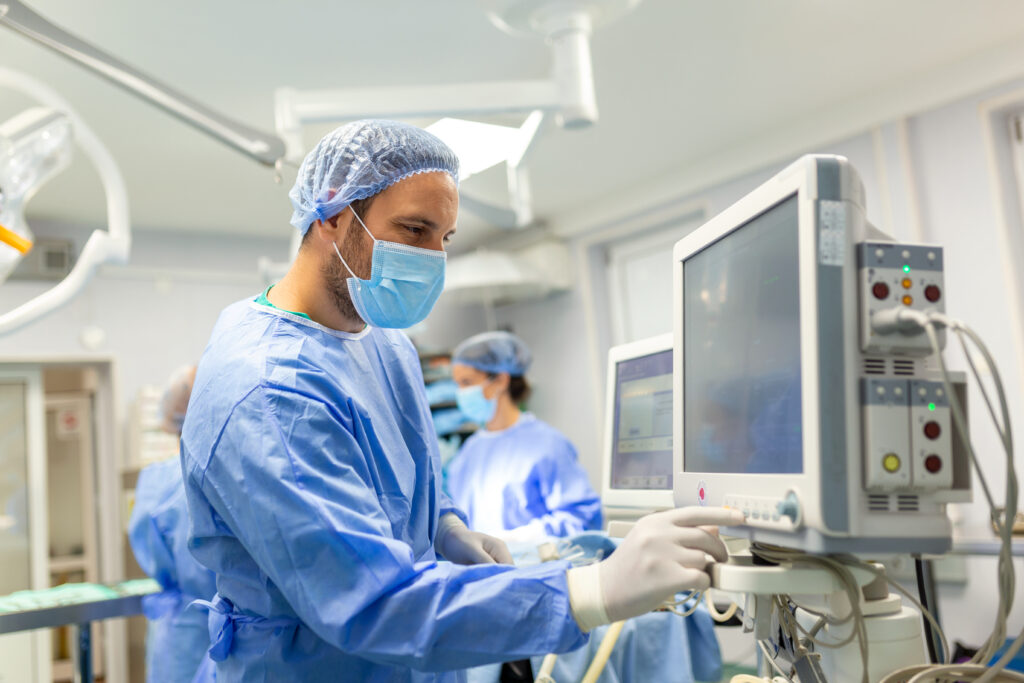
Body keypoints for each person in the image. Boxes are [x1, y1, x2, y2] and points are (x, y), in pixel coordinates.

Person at [179, 119, 745, 681]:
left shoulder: (383, 342)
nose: (433, 258)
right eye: (414, 229)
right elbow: (373, 604)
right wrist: (592, 591)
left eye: (445, 238)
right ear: (331, 214)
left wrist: (447, 525)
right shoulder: (269, 393)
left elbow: (412, 476)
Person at [447, 331, 601, 541]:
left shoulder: (547, 444)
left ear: (501, 380)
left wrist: (516, 541)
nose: (461, 392)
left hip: (535, 561)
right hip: (481, 563)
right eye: (457, 384)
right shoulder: (468, 452)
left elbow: (581, 519)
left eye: (467, 382)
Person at [128, 365, 217, 683]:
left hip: (175, 631)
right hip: (221, 630)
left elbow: (148, 550)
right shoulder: (220, 475)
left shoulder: (156, 479)